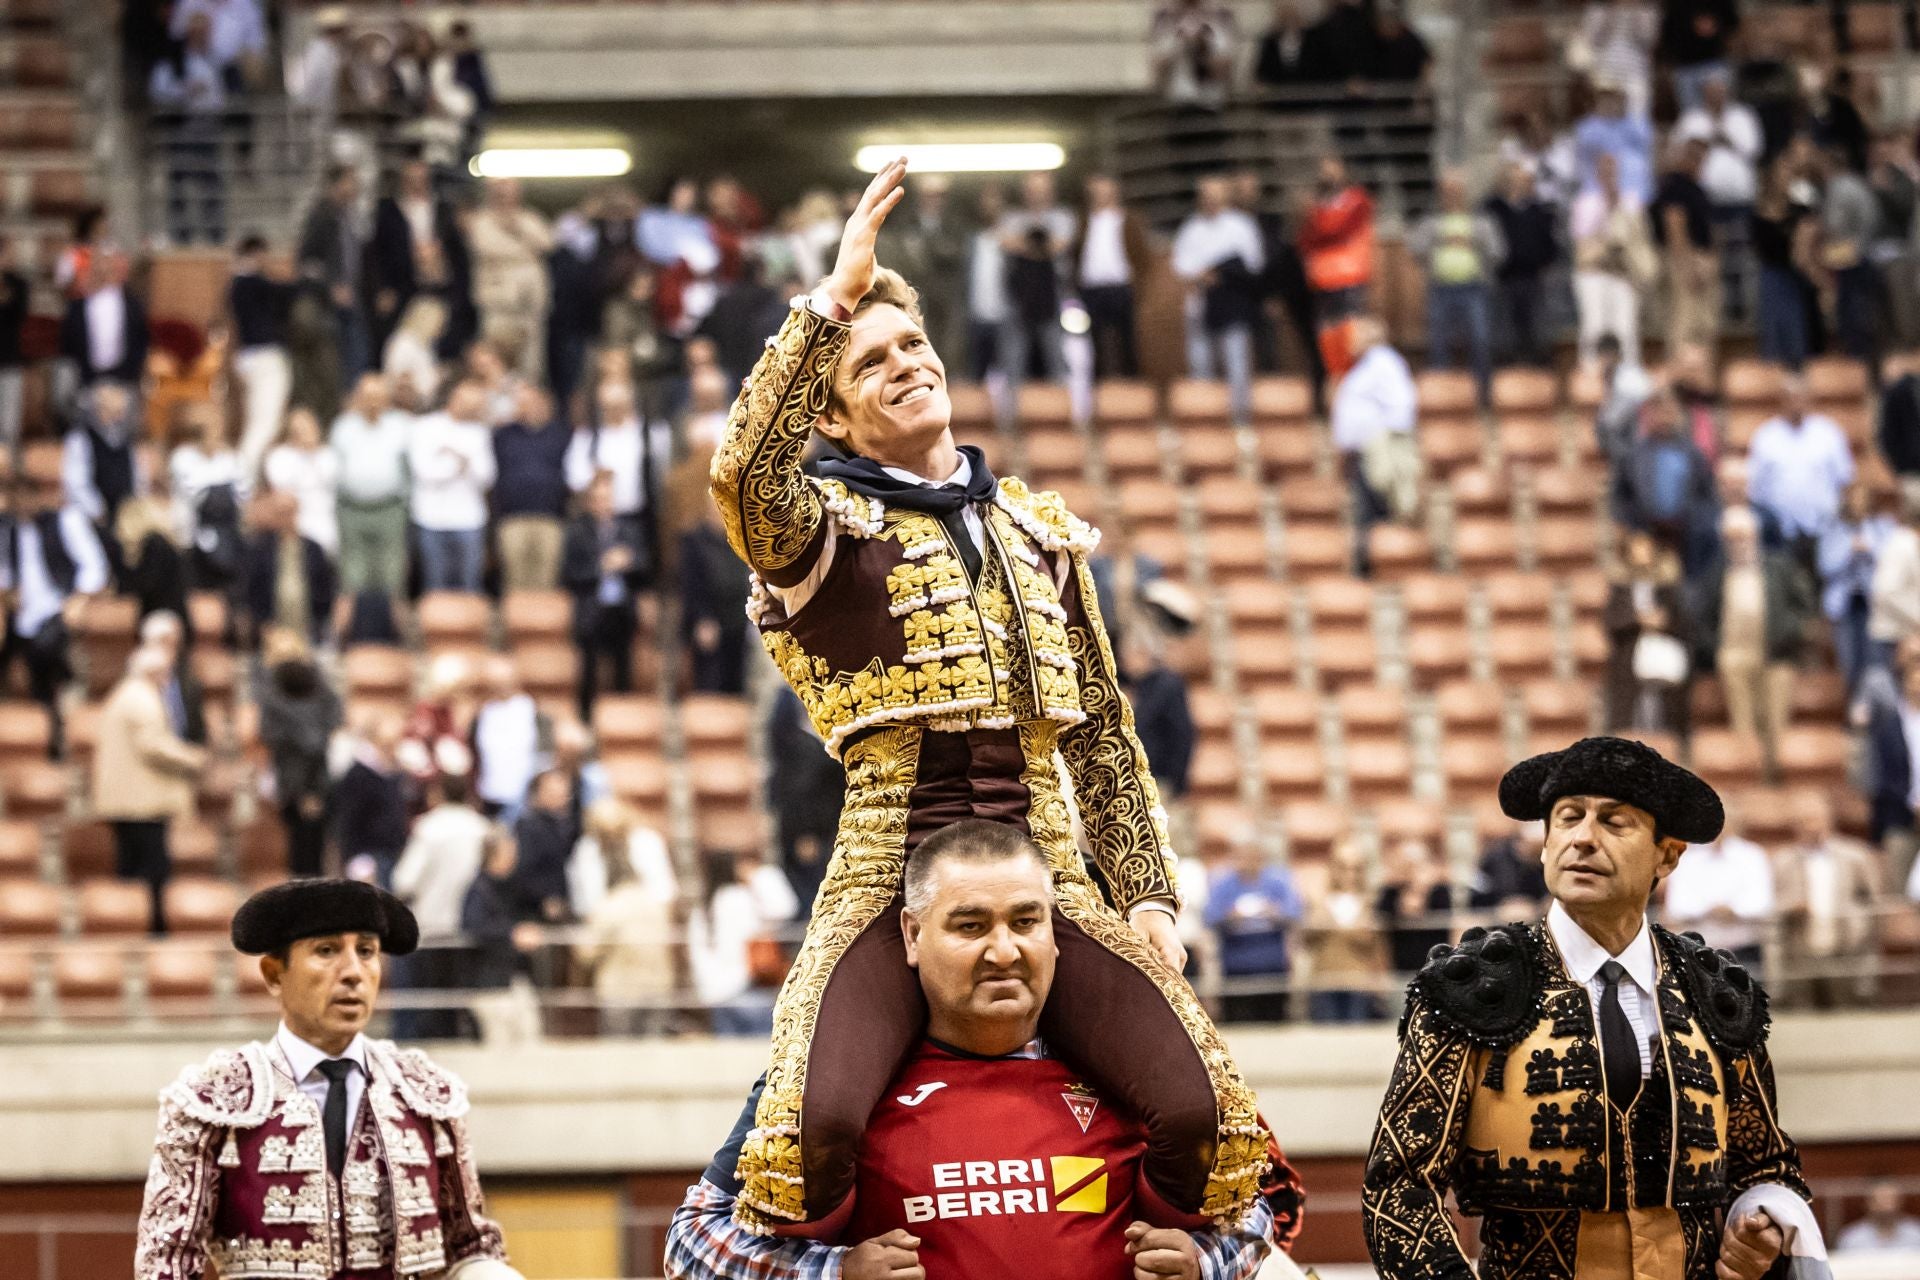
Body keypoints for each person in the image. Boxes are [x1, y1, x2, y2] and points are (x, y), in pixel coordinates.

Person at [708, 158, 1268, 1233]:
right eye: (869, 363)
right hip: (888, 869)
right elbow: (743, 480)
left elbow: (1101, 728)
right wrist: (830, 304)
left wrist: (1145, 892)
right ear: (830, 414)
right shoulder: (822, 528)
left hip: (1047, 864)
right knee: (806, 1136)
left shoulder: (1040, 530)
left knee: (1208, 1115)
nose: (904, 364)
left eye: (912, 342)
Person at [665, 819, 1279, 1280]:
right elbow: (690, 1244)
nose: (1005, 950)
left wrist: (1205, 1262)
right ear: (911, 934)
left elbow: (1252, 1216)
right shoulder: (835, 1080)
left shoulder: (1133, 1072)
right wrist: (831, 1272)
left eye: (1026, 921)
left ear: (1056, 933)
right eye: (970, 925)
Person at [1362, 736, 1820, 1280]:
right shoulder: (1472, 989)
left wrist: (1760, 1226)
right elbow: (1399, 1185)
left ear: (1667, 854)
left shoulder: (1716, 992)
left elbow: (1765, 1165)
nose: (1582, 838)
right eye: (1567, 818)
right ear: (1545, 843)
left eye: (1614, 822)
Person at [134, 879, 510, 1279]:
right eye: (326, 951)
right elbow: (166, 1263)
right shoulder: (212, 1101)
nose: (353, 972)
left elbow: (471, 1246)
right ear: (274, 974)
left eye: (366, 952)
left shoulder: (426, 1095)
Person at [93, 645, 207, 935]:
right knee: (151, 871)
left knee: (130, 868)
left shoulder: (124, 694)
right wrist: (193, 757)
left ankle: (130, 926)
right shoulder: (142, 698)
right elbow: (153, 745)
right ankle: (151, 928)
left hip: (126, 800)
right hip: (142, 802)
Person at [1694, 505, 1814, 773]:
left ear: (1755, 535)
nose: (1739, 543)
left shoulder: (1779, 566)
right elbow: (1703, 616)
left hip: (1776, 655)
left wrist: (1790, 631)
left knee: (1774, 724)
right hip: (1735, 654)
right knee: (1744, 725)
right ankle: (1751, 776)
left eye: (1743, 536)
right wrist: (1716, 648)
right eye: (1732, 537)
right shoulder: (1717, 571)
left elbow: (1805, 604)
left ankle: (1775, 779)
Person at [0, 480, 110, 759]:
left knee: (45, 651)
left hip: (56, 609)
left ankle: (60, 714)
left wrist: (79, 598)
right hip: (20, 616)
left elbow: (95, 567)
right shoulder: (8, 530)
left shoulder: (65, 521)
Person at [391, 771, 494, 1040]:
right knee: (464, 999)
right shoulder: (482, 827)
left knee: (434, 1004)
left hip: (433, 925)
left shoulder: (429, 828)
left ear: (439, 793)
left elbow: (405, 880)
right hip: (474, 925)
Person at [573, 809, 680, 1037]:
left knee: (619, 1057)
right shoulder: (655, 906)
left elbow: (586, 952)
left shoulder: (609, 908)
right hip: (658, 987)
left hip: (620, 991)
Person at [1772, 791, 1882, 1009]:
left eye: (1816, 818)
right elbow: (1771, 908)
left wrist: (1859, 929)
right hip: (1800, 953)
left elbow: (1874, 903)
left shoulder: (1856, 856)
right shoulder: (1782, 861)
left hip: (1846, 951)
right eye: (1805, 820)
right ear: (1795, 825)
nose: (1812, 826)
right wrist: (1790, 908)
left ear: (1830, 819)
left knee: (1849, 1013)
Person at [1173, 175, 1264, 426]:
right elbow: (1180, 263)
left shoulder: (1241, 226)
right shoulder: (1192, 227)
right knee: (1200, 363)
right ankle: (1206, 421)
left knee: (1236, 361)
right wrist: (1202, 273)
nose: (1210, 199)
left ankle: (1239, 420)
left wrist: (1223, 272)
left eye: (1215, 194)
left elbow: (1253, 263)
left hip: (1232, 304)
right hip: (1200, 304)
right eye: (1205, 194)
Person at [1330, 316, 1418, 575]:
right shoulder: (1363, 366)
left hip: (1378, 449)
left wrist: (1383, 438)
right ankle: (1369, 565)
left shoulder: (1385, 362)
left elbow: (1402, 405)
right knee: (1364, 513)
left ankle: (1378, 566)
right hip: (1361, 452)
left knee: (1374, 512)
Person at [1409, 168, 1502, 405]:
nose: (1452, 196)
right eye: (1447, 192)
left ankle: (1483, 398)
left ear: (1465, 193)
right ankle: (1442, 398)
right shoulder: (1431, 221)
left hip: (1473, 289)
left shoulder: (1479, 220)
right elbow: (1415, 249)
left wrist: (1472, 242)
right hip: (1440, 289)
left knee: (1480, 340)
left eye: (1456, 191)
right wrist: (1439, 240)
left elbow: (1498, 250)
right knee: (1438, 343)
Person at [562, 468, 647, 719]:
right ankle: (587, 720)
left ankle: (620, 719)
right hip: (592, 609)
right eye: (598, 499)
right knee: (588, 672)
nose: (604, 504)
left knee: (623, 669)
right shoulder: (578, 532)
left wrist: (628, 562)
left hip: (621, 609)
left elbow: (645, 564)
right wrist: (601, 567)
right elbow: (570, 573)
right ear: (590, 502)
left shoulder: (629, 530)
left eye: (608, 499)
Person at [257, 627, 342, 878]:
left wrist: (312, 791)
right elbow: (270, 734)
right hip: (289, 780)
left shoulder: (320, 688)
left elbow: (327, 728)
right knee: (298, 854)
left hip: (317, 779)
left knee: (314, 854)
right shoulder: (271, 695)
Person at [687, 848, 800, 1037]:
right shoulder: (739, 899)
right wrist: (758, 877)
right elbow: (783, 910)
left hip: (715, 992)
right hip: (744, 985)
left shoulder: (702, 908)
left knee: (729, 1053)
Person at [368, 158, 472, 359]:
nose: (417, 185)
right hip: (404, 290)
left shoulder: (443, 210)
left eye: (421, 179)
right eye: (411, 180)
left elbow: (459, 256)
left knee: (439, 344)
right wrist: (381, 288)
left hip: (440, 289)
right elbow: (377, 254)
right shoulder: (389, 212)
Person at [1747, 373, 1855, 562]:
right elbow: (1755, 487)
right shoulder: (1765, 436)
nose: (1796, 403)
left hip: (1824, 530)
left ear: (1809, 399)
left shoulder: (1828, 432)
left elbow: (1845, 479)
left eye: (1800, 397)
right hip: (1780, 532)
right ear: (1781, 400)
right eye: (1790, 397)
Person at [1202, 827, 1302, 1024]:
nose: (1245, 860)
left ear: (1260, 855)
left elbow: (1295, 912)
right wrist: (1230, 915)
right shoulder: (1223, 884)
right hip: (1236, 970)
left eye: (1250, 854)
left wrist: (1275, 912)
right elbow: (1210, 916)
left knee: (1275, 1029)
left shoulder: (1279, 880)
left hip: (1272, 969)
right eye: (1240, 855)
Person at [330, 372, 414, 604]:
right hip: (352, 509)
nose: (372, 401)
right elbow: (333, 470)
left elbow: (409, 471)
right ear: (357, 398)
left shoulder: (400, 426)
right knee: (352, 574)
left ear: (387, 399)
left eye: (378, 396)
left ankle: (393, 633)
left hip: (389, 509)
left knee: (392, 572)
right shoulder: (343, 427)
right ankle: (354, 634)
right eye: (367, 396)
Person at [1659, 803, 1774, 970]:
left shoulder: (1752, 856)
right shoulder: (1687, 859)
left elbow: (1762, 902)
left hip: (1745, 947)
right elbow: (1677, 906)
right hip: (1698, 949)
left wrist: (1733, 910)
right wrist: (1711, 909)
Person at [409, 380, 497, 593]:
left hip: (469, 519)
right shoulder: (424, 427)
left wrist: (452, 455)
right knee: (435, 584)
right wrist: (463, 463)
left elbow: (487, 476)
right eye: (473, 403)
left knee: (470, 584)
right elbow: (425, 472)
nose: (477, 409)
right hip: (431, 518)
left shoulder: (480, 432)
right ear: (456, 399)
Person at [1603, 530, 1693, 736]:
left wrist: (1663, 621)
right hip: (1630, 661)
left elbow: (1683, 622)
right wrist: (1637, 620)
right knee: (1631, 720)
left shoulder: (1668, 587)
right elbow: (1611, 622)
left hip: (1664, 661)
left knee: (1664, 719)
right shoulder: (1621, 588)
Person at [1571, 152, 1657, 368]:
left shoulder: (1630, 202)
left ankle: (1630, 376)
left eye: (1613, 169)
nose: (1609, 174)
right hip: (1594, 273)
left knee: (1626, 328)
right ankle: (1590, 378)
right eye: (1605, 169)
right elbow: (1582, 246)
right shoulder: (1586, 203)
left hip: (1622, 272)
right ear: (1598, 173)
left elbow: (1639, 239)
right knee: (1595, 325)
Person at [765, 686, 846, 914]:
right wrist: (806, 833)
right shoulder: (801, 747)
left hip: (824, 831)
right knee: (809, 898)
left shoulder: (815, 743)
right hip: (808, 836)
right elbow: (801, 792)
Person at [1297, 154, 1374, 378]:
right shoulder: (1315, 205)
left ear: (1344, 170)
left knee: (1353, 337)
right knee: (1326, 338)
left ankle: (1358, 383)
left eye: (1332, 168)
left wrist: (1314, 218)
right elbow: (1305, 241)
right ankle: (1336, 384)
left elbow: (1335, 230)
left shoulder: (1357, 199)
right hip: (1322, 281)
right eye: (1323, 169)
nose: (1327, 174)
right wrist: (1311, 218)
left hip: (1350, 278)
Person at [227, 233, 298, 477]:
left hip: (253, 357)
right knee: (263, 425)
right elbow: (286, 291)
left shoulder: (243, 283)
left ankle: (248, 478)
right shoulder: (248, 282)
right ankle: (242, 480)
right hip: (263, 357)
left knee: (262, 422)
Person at [470, 177, 554, 379]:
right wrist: (526, 252)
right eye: (501, 191)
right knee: (496, 361)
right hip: (499, 303)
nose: (506, 196)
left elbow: (546, 243)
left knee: (531, 366)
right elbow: (489, 248)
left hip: (529, 305)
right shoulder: (481, 221)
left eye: (511, 191)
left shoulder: (529, 218)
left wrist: (516, 226)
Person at [1819, 481, 1896, 693]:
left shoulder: (1882, 527)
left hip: (1874, 602)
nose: (1858, 504)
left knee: (1876, 662)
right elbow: (1825, 566)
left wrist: (1870, 549)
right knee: (1850, 661)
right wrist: (1849, 550)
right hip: (1845, 604)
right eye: (1854, 499)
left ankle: (1876, 714)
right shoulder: (1834, 528)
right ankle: (1854, 711)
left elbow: (1892, 562)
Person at [297, 166, 369, 388]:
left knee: (360, 356)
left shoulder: (347, 216)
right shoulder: (321, 215)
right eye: (350, 181)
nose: (355, 187)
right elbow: (307, 262)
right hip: (329, 304)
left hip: (352, 297)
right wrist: (332, 287)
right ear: (335, 184)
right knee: (342, 362)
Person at [1484, 161, 1559, 368]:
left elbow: (1550, 242)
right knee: (1505, 330)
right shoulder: (1495, 208)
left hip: (1532, 276)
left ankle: (1538, 369)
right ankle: (1507, 369)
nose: (1518, 185)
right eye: (1513, 180)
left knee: (1535, 327)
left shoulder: (1538, 210)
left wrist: (1544, 262)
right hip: (1505, 277)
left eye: (1523, 181)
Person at [1650, 137, 1722, 352]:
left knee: (1706, 327)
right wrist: (1687, 267)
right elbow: (1676, 229)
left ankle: (1703, 378)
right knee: (1685, 325)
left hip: (1701, 260)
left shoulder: (1695, 187)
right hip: (1688, 261)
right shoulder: (1676, 187)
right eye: (1695, 156)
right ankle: (1685, 379)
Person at [1074, 173, 1147, 381]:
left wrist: (1136, 282)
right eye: (1096, 191)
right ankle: (1099, 395)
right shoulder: (1084, 221)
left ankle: (1133, 392)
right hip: (1092, 290)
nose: (1101, 195)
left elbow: (1142, 258)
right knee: (1094, 344)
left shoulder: (1128, 220)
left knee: (1127, 343)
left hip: (1121, 288)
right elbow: (1077, 254)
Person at [242, 490, 337, 648]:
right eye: (280, 513)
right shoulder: (260, 549)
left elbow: (326, 589)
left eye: (288, 512)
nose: (285, 518)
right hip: (272, 632)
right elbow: (252, 591)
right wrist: (263, 626)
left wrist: (319, 622)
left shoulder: (313, 549)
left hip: (308, 630)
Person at [1301, 846, 1384, 1023]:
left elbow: (1375, 945)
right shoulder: (1320, 902)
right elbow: (1307, 940)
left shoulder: (1370, 903)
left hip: (1358, 983)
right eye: (1343, 868)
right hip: (1324, 981)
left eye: (1355, 869)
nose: (1349, 875)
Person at [679, 493, 751, 695]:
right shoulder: (694, 541)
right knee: (710, 686)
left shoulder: (740, 537)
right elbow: (691, 587)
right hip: (709, 624)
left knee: (737, 686)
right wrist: (703, 619)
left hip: (738, 622)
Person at [1675, 70, 1762, 224]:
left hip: (1740, 197)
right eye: (1711, 90)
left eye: (1719, 90)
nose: (1716, 95)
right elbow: (1679, 153)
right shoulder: (1691, 119)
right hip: (1703, 199)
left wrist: (1727, 139)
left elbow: (1755, 150)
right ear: (1704, 92)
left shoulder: (1742, 116)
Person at [334, 711, 411, 886]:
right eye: (389, 743)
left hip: (392, 854)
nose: (394, 747)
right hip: (370, 858)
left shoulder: (392, 771)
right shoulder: (358, 775)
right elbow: (349, 823)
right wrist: (359, 865)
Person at [1121, 627, 1195, 801]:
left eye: (1128, 656)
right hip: (1142, 776)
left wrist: (1176, 780)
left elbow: (1182, 733)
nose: (1125, 663)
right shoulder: (1140, 686)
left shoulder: (1166, 686)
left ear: (1143, 653)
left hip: (1160, 777)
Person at [63, 380, 146, 533]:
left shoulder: (125, 440)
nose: (118, 418)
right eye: (112, 412)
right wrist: (98, 511)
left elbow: (137, 477)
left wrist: (134, 508)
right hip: (93, 519)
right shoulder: (81, 440)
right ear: (97, 410)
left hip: (125, 518)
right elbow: (75, 483)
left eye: (120, 412)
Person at [59, 249, 148, 390]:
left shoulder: (133, 305)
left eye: (112, 267)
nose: (105, 271)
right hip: (86, 380)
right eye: (101, 266)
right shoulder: (78, 305)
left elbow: (140, 340)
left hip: (123, 379)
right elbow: (68, 343)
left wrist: (132, 373)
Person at [263, 405, 340, 558]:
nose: (304, 432)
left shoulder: (328, 455)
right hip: (295, 526)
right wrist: (302, 453)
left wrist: (311, 453)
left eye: (307, 427)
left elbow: (331, 478)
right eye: (299, 428)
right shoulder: (279, 456)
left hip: (326, 523)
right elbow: (281, 486)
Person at [474, 655, 543, 820]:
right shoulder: (484, 713)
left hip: (524, 792)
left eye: (504, 681)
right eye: (495, 683)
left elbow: (543, 749)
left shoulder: (529, 709)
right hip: (490, 792)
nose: (500, 687)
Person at [1374, 837, 1453, 981]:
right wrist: (1403, 898)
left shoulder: (1439, 889)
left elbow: (1444, 913)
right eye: (1408, 864)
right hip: (1400, 969)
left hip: (1433, 968)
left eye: (1417, 864)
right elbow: (1380, 912)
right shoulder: (1393, 890)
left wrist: (1421, 890)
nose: (1412, 870)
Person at [1574, 79, 1655, 203]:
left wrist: (1622, 115)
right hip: (1596, 191)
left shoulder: (1637, 123)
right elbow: (1587, 148)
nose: (1611, 101)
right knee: (1588, 205)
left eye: (1615, 96)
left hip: (1633, 190)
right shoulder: (1587, 127)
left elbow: (1647, 145)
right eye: (1606, 96)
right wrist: (1603, 116)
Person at [1577, 0, 1659, 117]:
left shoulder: (1647, 9)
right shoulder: (1597, 9)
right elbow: (1594, 40)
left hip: (1636, 71)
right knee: (1605, 116)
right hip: (1605, 71)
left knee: (1637, 116)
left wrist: (1635, 13)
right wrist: (1612, 12)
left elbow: (1648, 40)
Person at [1660, 0, 1740, 112]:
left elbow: (1733, 27)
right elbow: (1667, 34)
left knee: (1723, 111)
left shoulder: (1722, 3)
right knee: (1691, 115)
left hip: (1715, 63)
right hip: (1685, 67)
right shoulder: (1675, 4)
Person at [1467, 819, 1549, 916]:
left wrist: (1540, 907)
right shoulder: (1494, 857)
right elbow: (1475, 900)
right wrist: (1499, 909)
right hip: (1498, 924)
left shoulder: (1546, 859)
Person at [1835, 1182, 1920, 1253]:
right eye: (1880, 1201)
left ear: (1900, 1202)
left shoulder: (1916, 1234)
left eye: (1890, 1200)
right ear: (1868, 1203)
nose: (1886, 1207)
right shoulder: (1852, 1238)